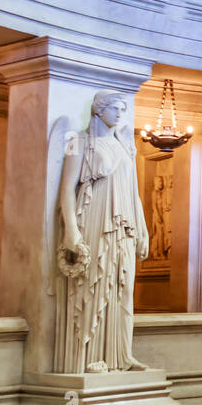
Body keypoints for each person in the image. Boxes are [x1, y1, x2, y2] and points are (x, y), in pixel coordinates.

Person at [54, 91, 149, 373]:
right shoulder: (81, 142)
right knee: (96, 283)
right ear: (99, 110)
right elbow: (66, 190)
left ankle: (122, 355)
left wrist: (143, 229)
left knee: (124, 287)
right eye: (114, 108)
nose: (120, 114)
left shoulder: (124, 145)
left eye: (123, 109)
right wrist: (71, 230)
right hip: (96, 218)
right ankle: (90, 357)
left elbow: (134, 191)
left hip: (124, 223)